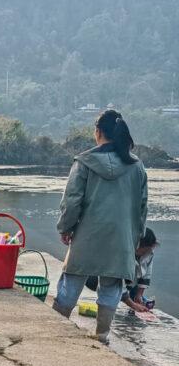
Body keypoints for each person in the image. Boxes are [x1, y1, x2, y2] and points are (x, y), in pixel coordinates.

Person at [53, 109, 148, 343]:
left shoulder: (84, 162)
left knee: (71, 282)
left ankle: (56, 331)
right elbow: (142, 209)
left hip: (87, 234)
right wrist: (135, 238)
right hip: (121, 238)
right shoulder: (137, 167)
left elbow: (72, 201)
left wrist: (65, 228)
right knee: (111, 287)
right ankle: (102, 336)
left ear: (98, 132)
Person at [121, 227, 158, 312]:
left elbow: (147, 273)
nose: (146, 253)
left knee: (136, 298)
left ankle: (136, 300)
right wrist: (132, 305)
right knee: (114, 297)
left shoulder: (149, 252)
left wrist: (139, 294)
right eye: (143, 251)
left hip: (133, 281)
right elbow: (119, 283)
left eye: (148, 250)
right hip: (118, 279)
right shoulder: (123, 253)